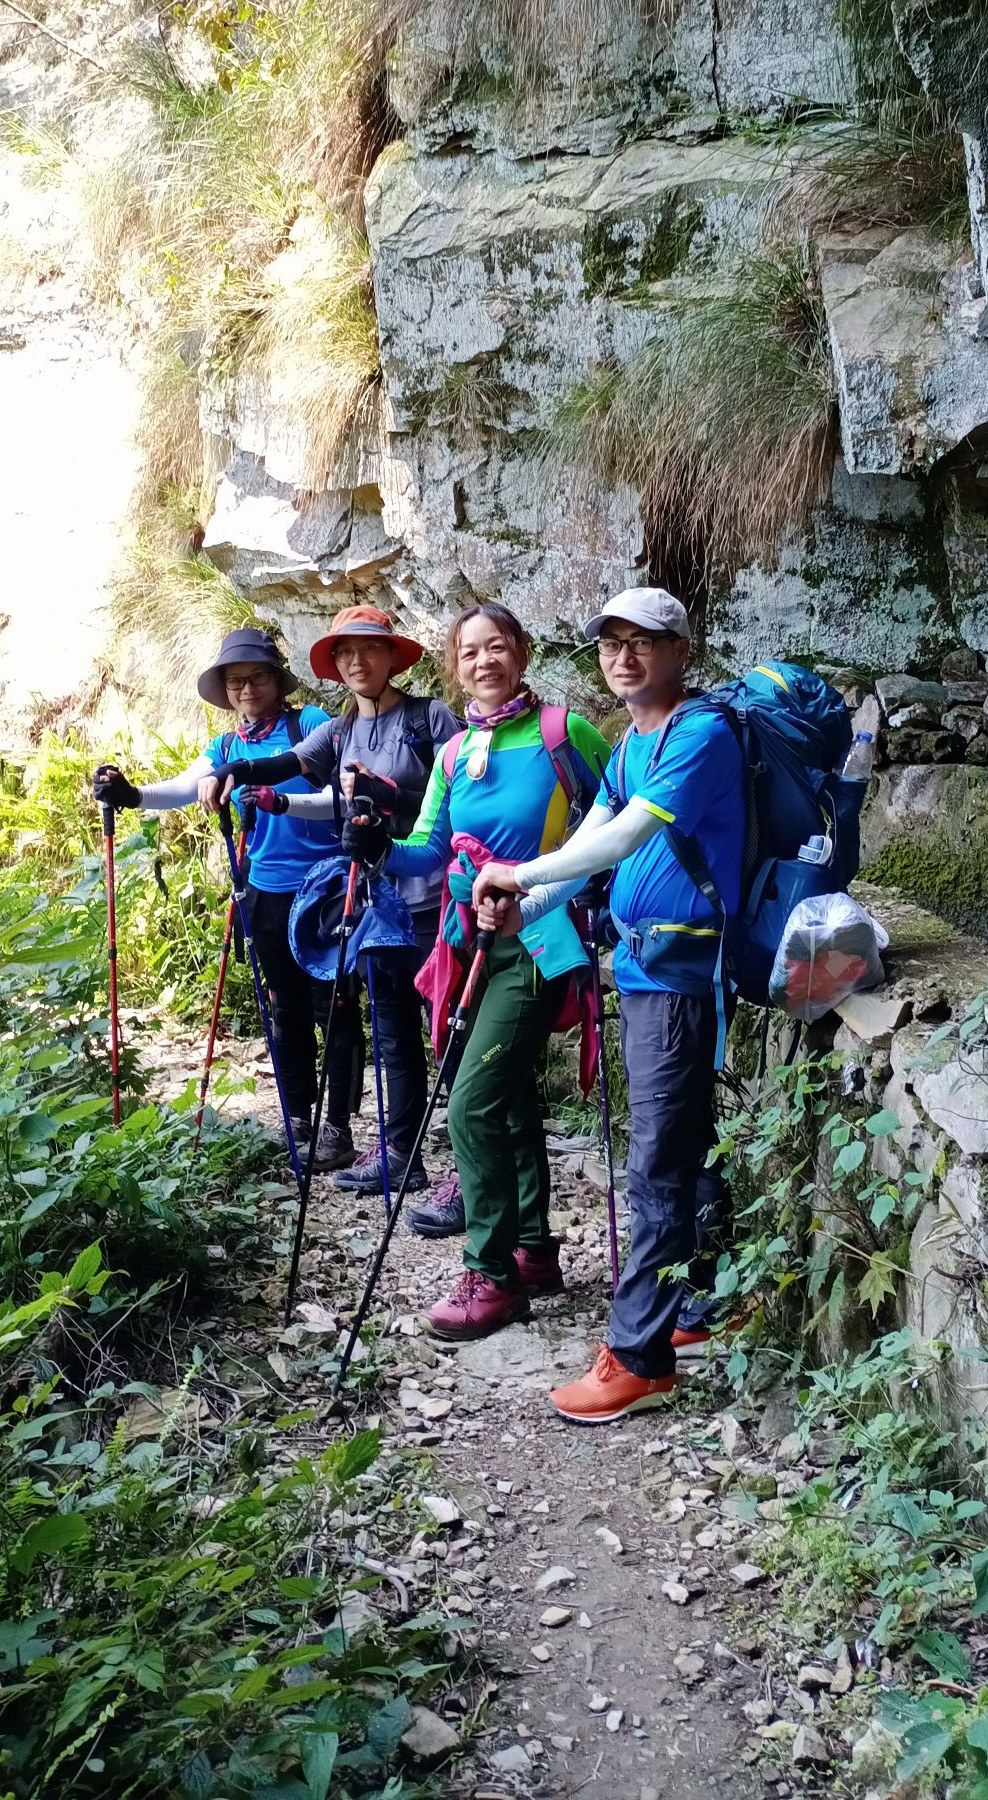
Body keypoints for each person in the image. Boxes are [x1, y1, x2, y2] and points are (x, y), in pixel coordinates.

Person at [472, 587, 745, 1424]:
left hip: (681, 974)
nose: (623, 656)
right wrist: (531, 908)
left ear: (681, 650)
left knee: (657, 1161)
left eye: (644, 641)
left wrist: (514, 878)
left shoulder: (698, 736)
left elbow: (626, 841)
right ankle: (698, 1301)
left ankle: (639, 1356)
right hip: (644, 966)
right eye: (610, 643)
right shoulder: (633, 746)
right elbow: (585, 856)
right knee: (683, 1143)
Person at [381, 601, 611, 1342]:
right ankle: (534, 1249)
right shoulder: (452, 756)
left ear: (523, 650)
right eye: (470, 652)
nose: (485, 662)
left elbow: (614, 824)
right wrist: (373, 847)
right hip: (468, 942)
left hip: (541, 940)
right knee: (506, 1099)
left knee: (471, 1100)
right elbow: (428, 847)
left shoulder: (562, 733)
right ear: (455, 667)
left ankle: (491, 1274)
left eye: (497, 647)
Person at [92, 627, 360, 1166]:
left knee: (332, 1003)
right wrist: (132, 795)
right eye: (235, 682)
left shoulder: (308, 724)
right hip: (263, 888)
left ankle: (338, 1126)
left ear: (276, 680)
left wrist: (280, 798)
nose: (246, 688)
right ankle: (298, 1118)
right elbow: (190, 784)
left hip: (327, 882)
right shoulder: (227, 746)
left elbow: (345, 792)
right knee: (285, 1006)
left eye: (256, 676)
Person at [220, 604, 461, 1196]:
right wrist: (238, 770)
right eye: (345, 653)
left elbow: (464, 790)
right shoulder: (340, 729)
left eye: (369, 649)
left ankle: (470, 1172)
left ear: (391, 657)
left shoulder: (429, 720)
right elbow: (289, 764)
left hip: (433, 900)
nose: (357, 661)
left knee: (451, 1033)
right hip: (377, 906)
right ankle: (402, 1155)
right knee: (394, 1033)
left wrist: (390, 798)